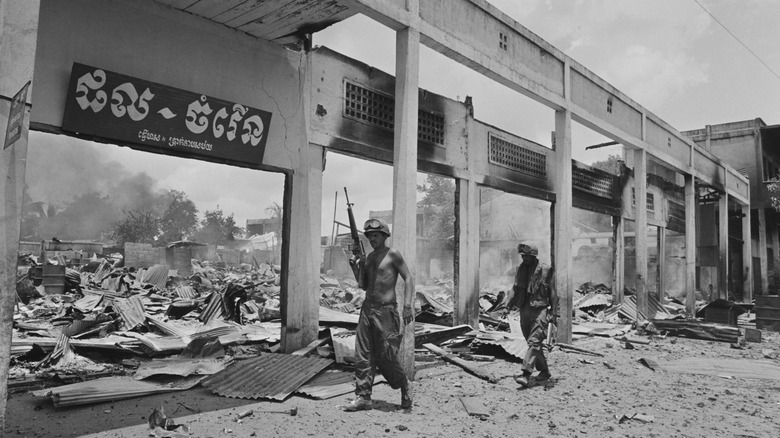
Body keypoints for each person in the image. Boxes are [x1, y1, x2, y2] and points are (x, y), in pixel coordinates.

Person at [343, 218, 415, 411]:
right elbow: (364, 285)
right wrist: (355, 266)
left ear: (384, 236)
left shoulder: (393, 255)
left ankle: (404, 385)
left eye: (375, 235)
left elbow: (408, 278)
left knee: (386, 356)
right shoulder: (370, 258)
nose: (372, 239)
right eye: (369, 236)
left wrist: (407, 305)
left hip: (386, 310)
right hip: (368, 308)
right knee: (363, 353)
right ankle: (363, 396)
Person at [508, 242, 558, 388]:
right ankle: (544, 371)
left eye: (527, 256)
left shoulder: (546, 270)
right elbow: (515, 289)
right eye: (523, 256)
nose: (524, 258)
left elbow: (553, 294)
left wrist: (554, 313)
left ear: (534, 256)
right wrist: (507, 305)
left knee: (534, 342)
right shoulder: (520, 269)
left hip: (540, 310)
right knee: (532, 344)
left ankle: (525, 374)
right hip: (524, 309)